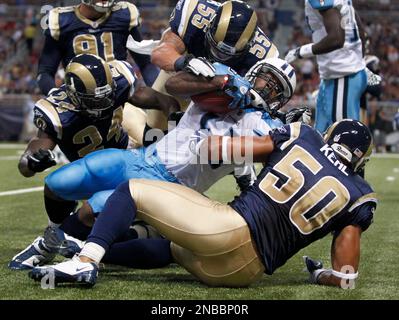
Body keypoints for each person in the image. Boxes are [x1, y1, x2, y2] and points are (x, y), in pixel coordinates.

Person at [10, 58, 305, 270]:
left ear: (281, 100)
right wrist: (219, 80)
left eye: (276, 89)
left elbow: (274, 157)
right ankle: (62, 236)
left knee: (94, 207)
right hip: (142, 157)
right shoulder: (225, 82)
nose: (267, 88)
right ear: (255, 71)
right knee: (62, 181)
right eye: (266, 78)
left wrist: (288, 133)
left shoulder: (262, 126)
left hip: (172, 184)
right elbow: (175, 85)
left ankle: (57, 245)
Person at [29, 119, 377, 288]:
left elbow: (228, 149)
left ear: (329, 135)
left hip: (228, 229)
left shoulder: (304, 135)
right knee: (173, 249)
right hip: (243, 273)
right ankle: (82, 250)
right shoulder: (359, 194)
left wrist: (216, 142)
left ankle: (85, 261)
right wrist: (319, 274)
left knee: (132, 189)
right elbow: (347, 277)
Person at [9, 53, 179, 270]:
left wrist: (169, 104)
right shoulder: (56, 111)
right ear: (74, 95)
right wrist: (31, 161)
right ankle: (57, 230)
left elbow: (144, 95)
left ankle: (62, 243)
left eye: (108, 95)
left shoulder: (119, 79)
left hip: (124, 156)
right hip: (88, 167)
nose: (105, 103)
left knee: (97, 212)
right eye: (94, 100)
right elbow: (36, 148)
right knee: (55, 185)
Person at [127, 0, 279, 146]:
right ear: (209, 26)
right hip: (184, 72)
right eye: (216, 49)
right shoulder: (194, 12)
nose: (219, 57)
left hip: (223, 88)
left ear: (250, 45)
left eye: (227, 55)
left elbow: (258, 101)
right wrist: (185, 62)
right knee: (155, 133)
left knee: (202, 148)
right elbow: (159, 54)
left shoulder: (264, 54)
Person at [37, 0, 159, 96]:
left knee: (139, 124)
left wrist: (159, 91)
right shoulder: (61, 21)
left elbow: (146, 64)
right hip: (78, 99)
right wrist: (54, 95)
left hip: (119, 95)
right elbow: (45, 71)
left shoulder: (124, 15)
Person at [285, 0, 368, 133]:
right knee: (321, 136)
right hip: (338, 74)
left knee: (344, 137)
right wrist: (359, 60)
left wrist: (301, 51)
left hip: (343, 75)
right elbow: (358, 24)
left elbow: (336, 38)